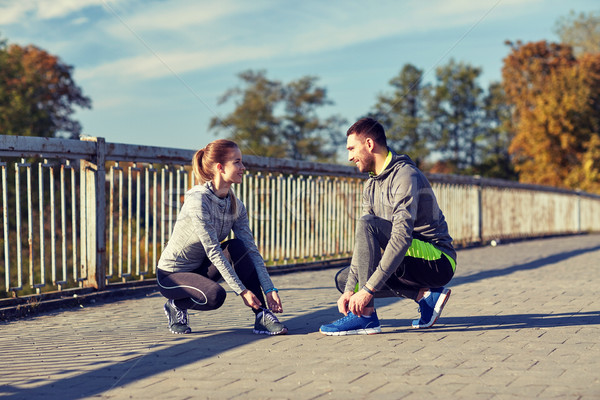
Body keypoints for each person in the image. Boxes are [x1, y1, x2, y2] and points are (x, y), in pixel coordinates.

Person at [319, 117, 456, 335]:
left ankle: (365, 316)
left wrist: (367, 291)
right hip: (409, 258)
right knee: (345, 279)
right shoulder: (371, 185)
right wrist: (349, 290)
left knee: (367, 225)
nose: (350, 157)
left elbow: (401, 237)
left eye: (352, 148)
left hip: (437, 259)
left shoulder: (405, 175)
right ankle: (425, 297)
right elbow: (363, 243)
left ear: (370, 144)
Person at [156, 139, 287, 335]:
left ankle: (262, 315)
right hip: (172, 275)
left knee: (238, 248)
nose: (243, 167)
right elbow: (213, 251)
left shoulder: (235, 205)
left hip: (201, 269)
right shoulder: (198, 200)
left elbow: (251, 250)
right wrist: (242, 291)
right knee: (215, 296)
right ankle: (176, 304)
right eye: (237, 162)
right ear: (220, 168)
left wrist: (269, 289)